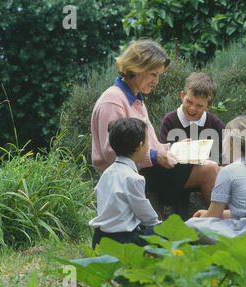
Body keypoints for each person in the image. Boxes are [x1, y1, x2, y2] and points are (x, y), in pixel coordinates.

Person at [90, 39, 219, 219]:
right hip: (128, 175)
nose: (156, 81)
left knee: (216, 169)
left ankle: (220, 223)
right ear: (136, 68)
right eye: (153, 74)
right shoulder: (113, 101)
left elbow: (149, 145)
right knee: (210, 170)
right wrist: (154, 155)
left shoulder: (136, 99)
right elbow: (111, 152)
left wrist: (173, 148)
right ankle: (224, 225)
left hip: (143, 169)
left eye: (158, 75)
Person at [89, 118, 161, 249]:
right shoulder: (133, 178)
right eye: (148, 141)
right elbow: (148, 218)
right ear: (140, 146)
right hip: (122, 240)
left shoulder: (107, 173)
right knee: (163, 231)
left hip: (99, 238)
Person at [159, 72, 225, 163]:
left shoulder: (215, 123)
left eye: (199, 105)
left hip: (207, 172)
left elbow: (231, 151)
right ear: (182, 96)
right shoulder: (170, 120)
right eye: (189, 102)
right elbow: (163, 154)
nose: (192, 108)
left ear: (208, 106)